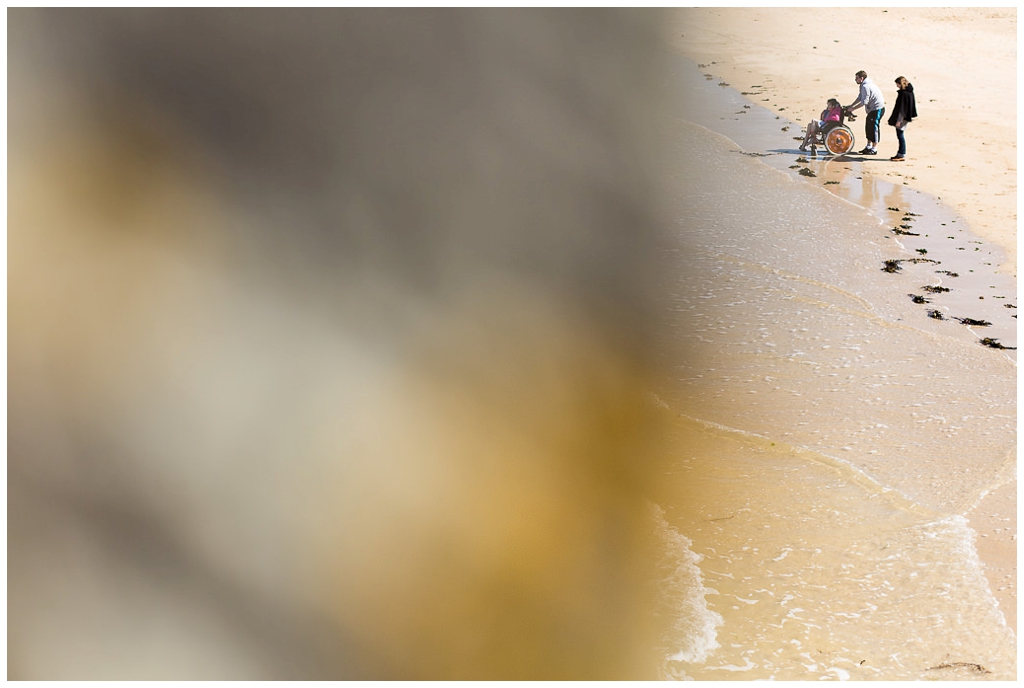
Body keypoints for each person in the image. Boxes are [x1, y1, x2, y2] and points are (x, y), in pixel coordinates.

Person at [846, 70, 886, 155]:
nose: (855, 80)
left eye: (856, 78)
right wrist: (851, 105)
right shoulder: (862, 85)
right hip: (871, 109)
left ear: (862, 78)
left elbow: (864, 102)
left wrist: (853, 109)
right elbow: (860, 97)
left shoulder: (866, 86)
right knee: (868, 127)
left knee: (874, 128)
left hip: (877, 109)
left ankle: (874, 148)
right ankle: (868, 146)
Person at [887, 76, 917, 161]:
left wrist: (899, 121)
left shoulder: (903, 94)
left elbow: (902, 109)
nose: (896, 86)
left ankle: (901, 154)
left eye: (897, 84)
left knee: (900, 135)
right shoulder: (909, 92)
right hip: (907, 116)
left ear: (900, 84)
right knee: (900, 134)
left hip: (903, 117)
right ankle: (900, 153)